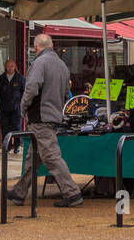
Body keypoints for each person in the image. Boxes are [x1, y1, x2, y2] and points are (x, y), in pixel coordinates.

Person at [8, 34, 84, 208]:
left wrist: (23, 107)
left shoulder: (39, 63)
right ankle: (19, 192)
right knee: (34, 157)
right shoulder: (62, 65)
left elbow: (31, 88)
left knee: (51, 156)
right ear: (52, 45)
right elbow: (67, 93)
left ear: (36, 48)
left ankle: (72, 193)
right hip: (54, 115)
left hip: (40, 116)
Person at [0, 60, 25, 152]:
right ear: (5, 67)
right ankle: (7, 146)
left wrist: (24, 105)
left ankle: (17, 145)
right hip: (4, 107)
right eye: (8, 66)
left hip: (17, 107)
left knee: (17, 126)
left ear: (15, 67)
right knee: (5, 127)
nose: (10, 68)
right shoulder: (1, 79)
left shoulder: (20, 78)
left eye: (12, 66)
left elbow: (25, 92)